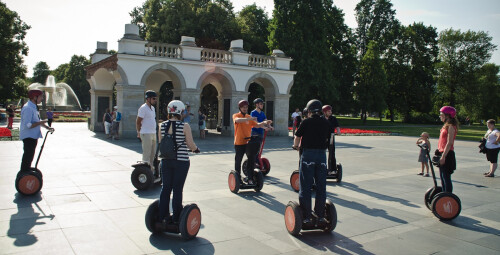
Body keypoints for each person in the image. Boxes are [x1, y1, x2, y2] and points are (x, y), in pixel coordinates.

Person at [157, 100, 200, 226]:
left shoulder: (162, 125)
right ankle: (176, 217)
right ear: (180, 111)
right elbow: (190, 144)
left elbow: (161, 142)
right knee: (177, 189)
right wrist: (195, 149)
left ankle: (161, 216)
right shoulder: (184, 126)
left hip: (165, 161)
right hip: (181, 162)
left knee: (165, 189)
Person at [292, 99, 330, 225]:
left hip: (308, 155)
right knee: (321, 186)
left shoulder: (306, 122)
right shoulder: (325, 122)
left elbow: (297, 137)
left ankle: (306, 216)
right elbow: (328, 139)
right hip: (321, 156)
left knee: (306, 186)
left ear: (308, 110)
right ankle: (320, 215)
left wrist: (296, 146)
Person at [233, 100, 272, 184]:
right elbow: (238, 120)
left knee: (251, 160)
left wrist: (265, 122)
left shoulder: (248, 116)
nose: (245, 108)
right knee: (238, 160)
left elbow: (257, 125)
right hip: (239, 142)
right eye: (243, 107)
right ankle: (238, 177)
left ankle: (250, 178)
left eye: (246, 107)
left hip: (248, 142)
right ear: (240, 108)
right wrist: (249, 118)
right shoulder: (236, 115)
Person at [19, 89, 54, 172]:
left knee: (30, 155)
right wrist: (43, 121)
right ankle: (24, 171)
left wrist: (47, 127)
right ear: (35, 97)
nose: (42, 99)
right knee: (28, 155)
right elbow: (28, 125)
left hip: (33, 135)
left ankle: (27, 169)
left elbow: (36, 121)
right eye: (41, 97)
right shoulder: (28, 108)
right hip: (28, 136)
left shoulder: (33, 107)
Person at [436, 106, 458, 192]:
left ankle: (448, 197)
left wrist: (443, 156)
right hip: (442, 152)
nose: (440, 116)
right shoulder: (445, 126)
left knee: (446, 178)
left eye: (441, 114)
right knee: (442, 178)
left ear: (447, 115)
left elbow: (449, 143)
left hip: (447, 154)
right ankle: (444, 196)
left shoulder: (451, 127)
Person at [136, 90, 158, 169]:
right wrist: (138, 132)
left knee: (153, 153)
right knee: (147, 153)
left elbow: (151, 120)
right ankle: (144, 170)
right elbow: (138, 121)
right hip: (146, 133)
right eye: (154, 98)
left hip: (153, 133)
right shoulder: (143, 108)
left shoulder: (152, 108)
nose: (155, 100)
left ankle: (150, 171)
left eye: (155, 98)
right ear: (148, 99)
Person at [322, 105, 341, 174]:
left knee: (332, 153)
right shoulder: (321, 118)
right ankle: (321, 168)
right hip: (323, 138)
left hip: (331, 137)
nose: (330, 112)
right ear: (324, 112)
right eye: (329, 111)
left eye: (331, 111)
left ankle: (333, 169)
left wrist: (338, 131)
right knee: (321, 153)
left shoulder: (333, 118)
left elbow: (337, 126)